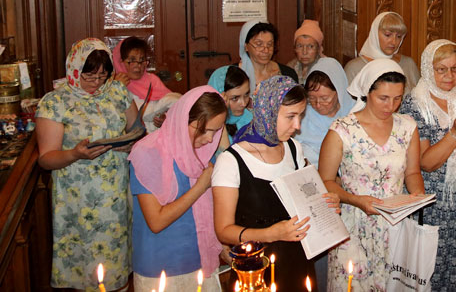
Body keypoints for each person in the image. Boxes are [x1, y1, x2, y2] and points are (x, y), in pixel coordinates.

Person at [212, 76, 337, 291]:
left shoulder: (293, 149)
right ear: (267, 112)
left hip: (297, 260)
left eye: (300, 116)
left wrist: (324, 202)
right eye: (290, 117)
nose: (297, 126)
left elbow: (307, 198)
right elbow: (223, 230)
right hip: (255, 267)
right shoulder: (231, 161)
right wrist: (271, 234)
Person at [36, 38, 139, 290]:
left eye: (102, 76)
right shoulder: (55, 102)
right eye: (89, 76)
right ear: (74, 69)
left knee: (116, 264)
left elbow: (137, 130)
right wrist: (75, 154)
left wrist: (130, 143)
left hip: (116, 194)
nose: (96, 83)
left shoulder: (117, 92)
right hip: (78, 200)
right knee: (85, 268)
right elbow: (46, 158)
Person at [318, 59, 424, 291]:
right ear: (367, 92)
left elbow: (413, 172)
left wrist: (417, 195)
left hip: (395, 224)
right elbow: (325, 181)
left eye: (397, 98)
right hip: (353, 225)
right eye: (383, 98)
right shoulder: (343, 130)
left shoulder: (407, 126)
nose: (391, 106)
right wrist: (356, 200)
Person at [400, 39, 456, 290]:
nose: (450, 75)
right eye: (441, 69)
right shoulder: (414, 103)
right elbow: (425, 163)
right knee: (430, 272)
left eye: (455, 68)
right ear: (428, 69)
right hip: (431, 202)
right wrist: (455, 134)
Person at [128, 86, 227, 291]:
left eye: (216, 130)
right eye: (204, 130)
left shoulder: (204, 153)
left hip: (201, 262)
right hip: (159, 267)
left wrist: (222, 245)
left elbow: (211, 211)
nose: (210, 139)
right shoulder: (147, 153)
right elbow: (156, 221)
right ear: (182, 120)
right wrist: (200, 187)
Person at [296, 56, 355, 290]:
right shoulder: (303, 119)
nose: (318, 105)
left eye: (325, 98)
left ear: (339, 90)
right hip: (320, 201)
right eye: (312, 99)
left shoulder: (356, 113)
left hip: (354, 199)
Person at [112, 36, 181, 132]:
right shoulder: (114, 85)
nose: (138, 66)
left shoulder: (152, 80)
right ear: (120, 62)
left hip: (157, 136)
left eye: (142, 60)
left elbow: (170, 107)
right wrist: (116, 89)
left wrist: (165, 118)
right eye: (132, 60)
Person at [344, 12, 420, 92]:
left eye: (399, 36)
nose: (393, 41)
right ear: (375, 34)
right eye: (388, 35)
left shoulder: (409, 64)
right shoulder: (355, 67)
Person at [238, 20, 298, 94]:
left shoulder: (288, 74)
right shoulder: (232, 75)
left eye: (270, 44)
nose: (266, 50)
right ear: (246, 46)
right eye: (259, 44)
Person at [208, 65, 253, 144]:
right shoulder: (206, 127)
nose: (243, 104)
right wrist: (220, 112)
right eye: (235, 98)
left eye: (246, 94)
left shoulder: (250, 119)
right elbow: (224, 151)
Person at [287, 19, 324, 84]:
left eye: (310, 46)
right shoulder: (290, 69)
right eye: (300, 46)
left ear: (318, 49)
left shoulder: (325, 69)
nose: (304, 52)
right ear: (295, 49)